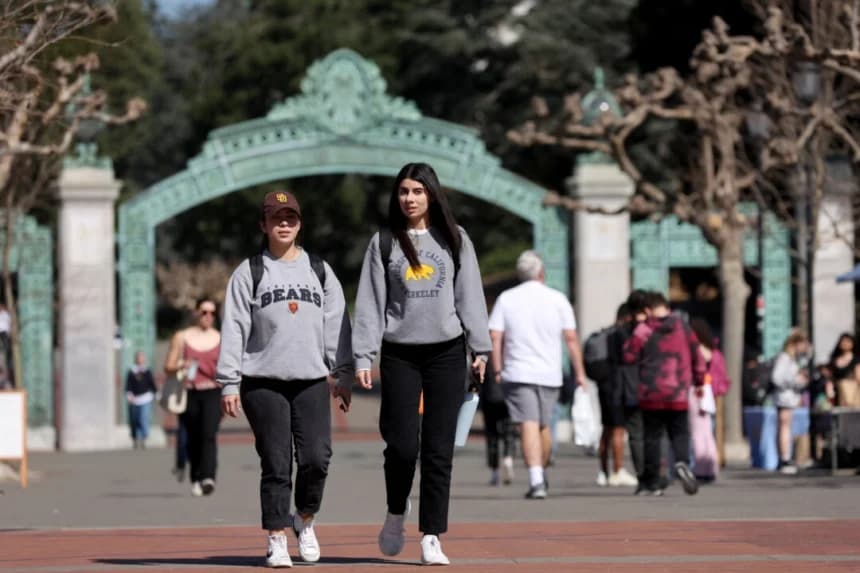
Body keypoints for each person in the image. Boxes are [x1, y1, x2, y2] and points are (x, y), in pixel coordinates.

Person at [352, 162, 490, 566]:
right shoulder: (384, 243)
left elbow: (470, 297)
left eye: (417, 191)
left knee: (438, 449)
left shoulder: (455, 239)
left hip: (447, 352)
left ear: (431, 194)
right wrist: (363, 354)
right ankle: (397, 512)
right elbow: (370, 304)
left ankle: (432, 534)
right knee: (401, 445)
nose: (409, 198)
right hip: (400, 353)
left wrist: (480, 349)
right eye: (403, 192)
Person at [218, 190, 353, 567]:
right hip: (262, 381)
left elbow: (337, 323)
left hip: (310, 380)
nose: (283, 224)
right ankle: (276, 537)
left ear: (299, 223)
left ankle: (304, 519)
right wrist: (228, 381)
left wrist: (342, 372)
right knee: (276, 462)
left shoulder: (320, 270)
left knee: (316, 459)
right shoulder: (250, 271)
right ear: (263, 225)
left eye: (290, 218)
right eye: (276, 218)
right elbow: (234, 327)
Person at [488, 250, 587, 500]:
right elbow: (571, 339)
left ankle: (536, 478)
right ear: (541, 273)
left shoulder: (506, 299)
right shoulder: (558, 299)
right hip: (550, 373)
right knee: (543, 425)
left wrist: (497, 367)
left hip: (518, 371)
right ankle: (540, 472)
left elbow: (495, 336)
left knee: (528, 423)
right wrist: (580, 373)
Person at [623, 291, 704, 496]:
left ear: (648, 310)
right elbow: (698, 355)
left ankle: (651, 481)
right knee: (680, 432)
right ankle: (682, 462)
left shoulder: (644, 329)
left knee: (652, 438)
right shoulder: (683, 327)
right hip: (678, 393)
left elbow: (629, 356)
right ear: (667, 308)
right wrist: (700, 381)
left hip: (651, 393)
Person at [164, 296, 222, 497]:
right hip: (188, 392)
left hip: (213, 391)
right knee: (192, 438)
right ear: (196, 313)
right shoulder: (182, 337)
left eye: (212, 313)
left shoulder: (220, 338)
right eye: (204, 312)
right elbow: (168, 366)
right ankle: (196, 475)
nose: (208, 316)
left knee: (209, 434)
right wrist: (182, 364)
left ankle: (208, 477)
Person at [596, 304, 638, 488]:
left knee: (606, 430)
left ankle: (603, 471)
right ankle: (618, 470)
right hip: (619, 388)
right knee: (618, 429)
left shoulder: (605, 334)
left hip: (604, 386)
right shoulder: (623, 335)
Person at [688, 318, 723, 482]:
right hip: (708, 391)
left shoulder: (698, 349)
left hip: (698, 389)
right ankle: (710, 467)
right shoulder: (713, 350)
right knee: (707, 431)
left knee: (697, 432)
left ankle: (701, 468)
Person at [772, 328, 811, 475]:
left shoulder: (793, 359)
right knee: (785, 427)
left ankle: (783, 458)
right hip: (785, 397)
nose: (804, 347)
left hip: (788, 397)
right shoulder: (785, 358)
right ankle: (785, 458)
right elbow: (777, 377)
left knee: (784, 427)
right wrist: (795, 381)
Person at [479, 356, 515, 486]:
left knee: (492, 435)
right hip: (508, 397)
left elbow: (476, 376)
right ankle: (508, 459)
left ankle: (494, 473)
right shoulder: (510, 353)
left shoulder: (485, 354)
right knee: (509, 431)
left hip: (489, 397)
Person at [125, 350, 156, 450]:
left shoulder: (147, 371)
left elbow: (152, 384)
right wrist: (129, 394)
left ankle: (144, 438)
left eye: (142, 357)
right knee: (134, 420)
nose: (140, 359)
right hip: (134, 399)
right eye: (138, 357)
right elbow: (128, 385)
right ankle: (135, 438)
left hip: (145, 398)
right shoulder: (131, 371)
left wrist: (156, 393)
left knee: (143, 418)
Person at [828, 333, 859, 408]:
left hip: (852, 395)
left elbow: (858, 378)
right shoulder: (834, 360)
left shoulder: (856, 360)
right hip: (838, 395)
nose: (845, 343)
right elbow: (831, 378)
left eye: (848, 341)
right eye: (843, 341)